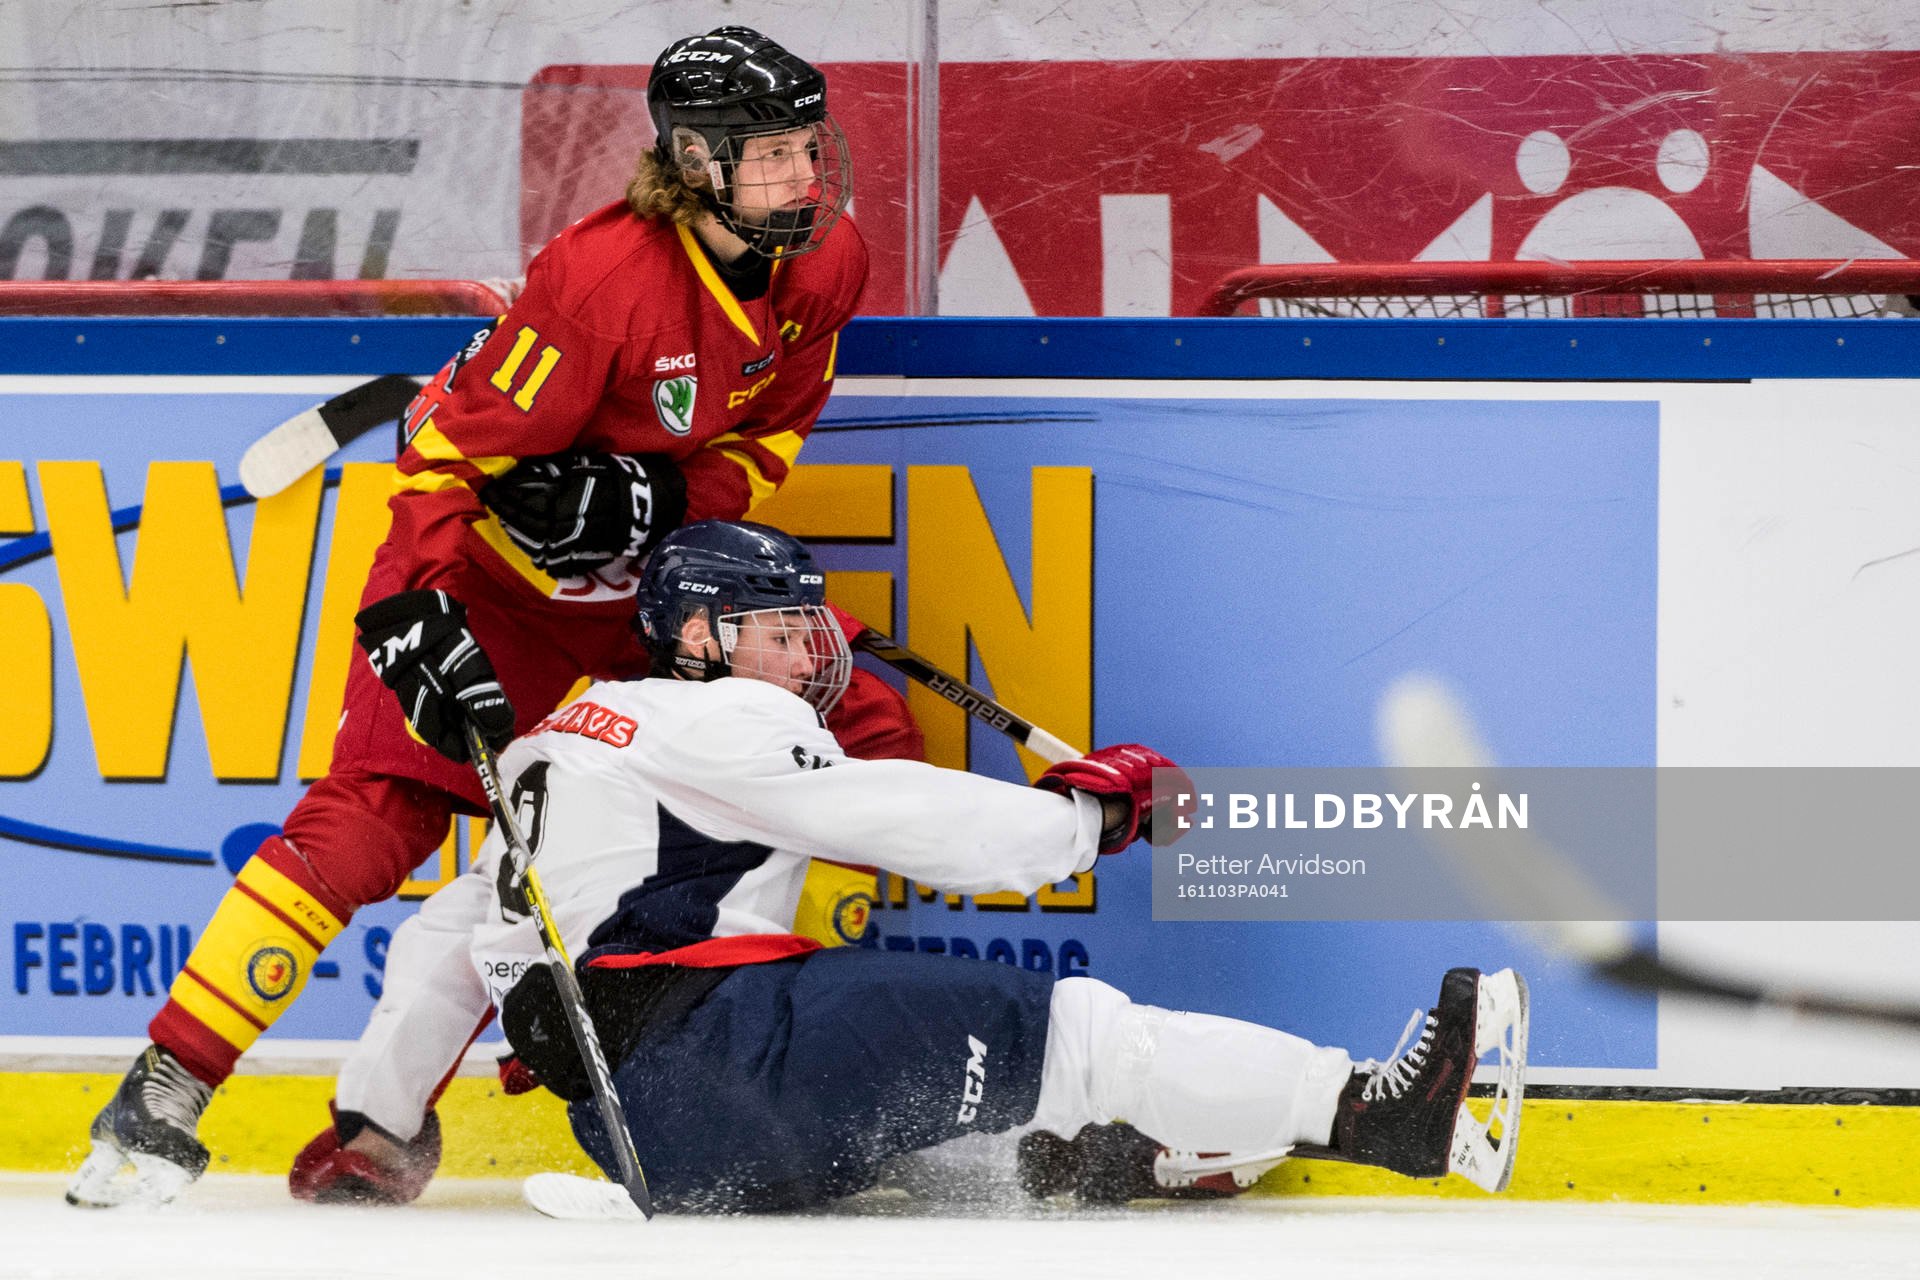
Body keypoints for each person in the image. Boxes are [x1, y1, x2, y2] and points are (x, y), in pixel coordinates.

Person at [68, 26, 895, 1209]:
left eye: (812, 145)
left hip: (646, 599)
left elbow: (764, 443)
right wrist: (409, 611)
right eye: (772, 152)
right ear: (699, 159)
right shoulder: (602, 281)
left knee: (837, 718)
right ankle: (168, 1082)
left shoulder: (831, 262)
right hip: (494, 589)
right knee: (370, 828)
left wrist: (661, 492)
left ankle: (798, 1070)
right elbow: (440, 469)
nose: (805, 176)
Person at [282, 521, 1530, 1212]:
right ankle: (1381, 1112)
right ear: (705, 638)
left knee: (950, 1086)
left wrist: (378, 1126)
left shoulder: (560, 746)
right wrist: (1082, 821)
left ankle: (1133, 1151)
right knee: (1075, 1027)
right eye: (780, 628)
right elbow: (897, 813)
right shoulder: (717, 718)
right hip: (729, 1063)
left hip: (649, 1139)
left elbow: (442, 947)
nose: (807, 651)